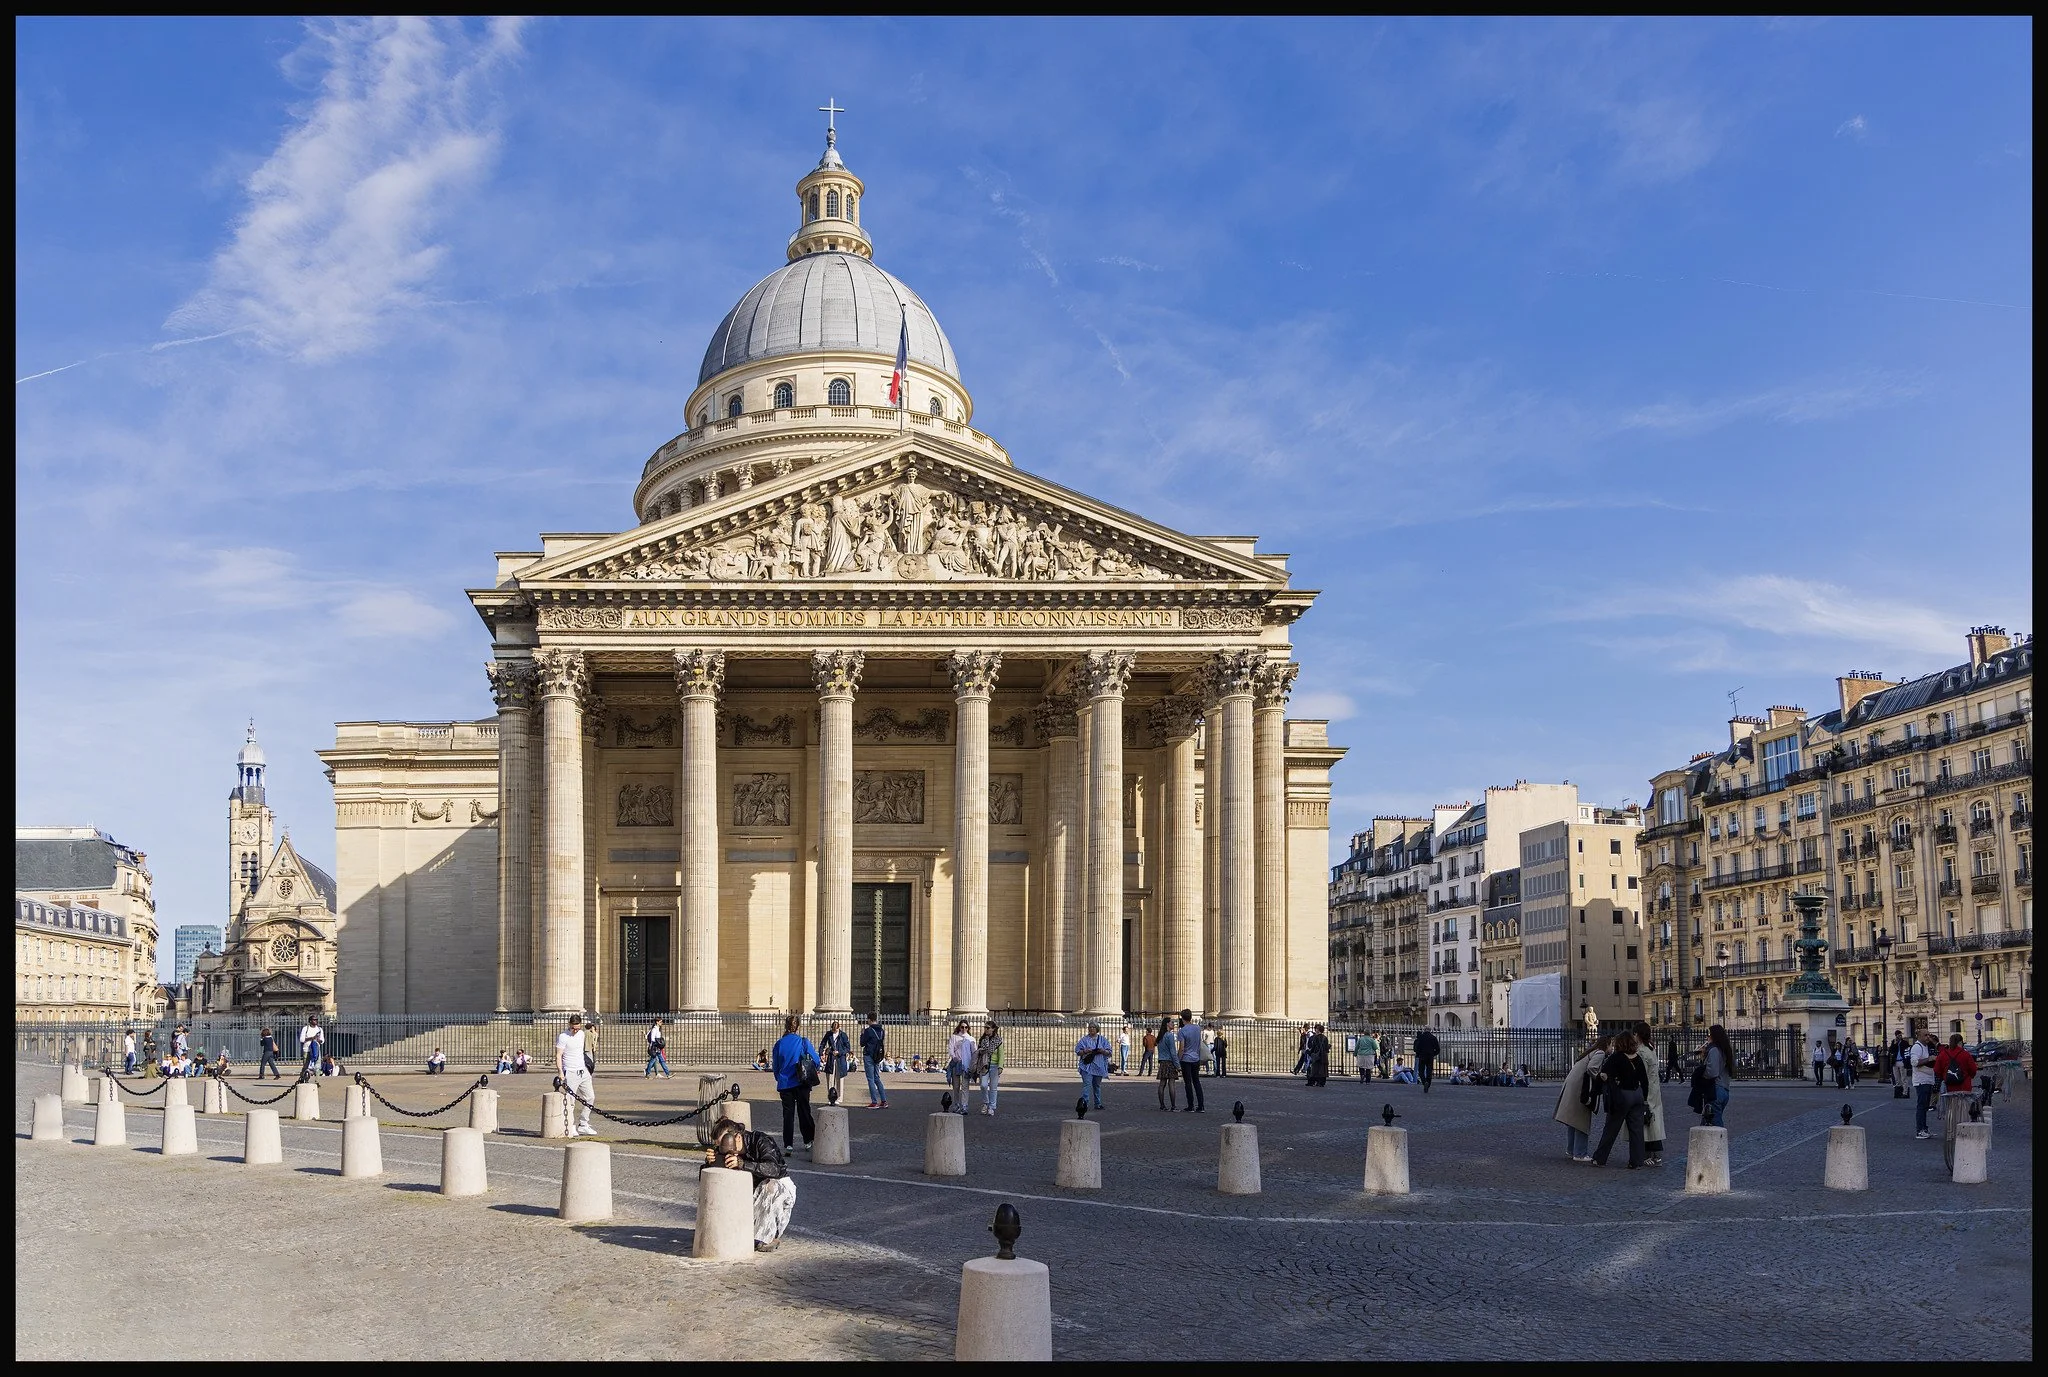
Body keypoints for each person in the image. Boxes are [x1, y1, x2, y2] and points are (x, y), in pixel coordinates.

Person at [707, 1118, 795, 1254]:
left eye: (724, 1144)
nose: (722, 1149)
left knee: (770, 1185)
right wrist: (710, 1164)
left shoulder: (761, 1140)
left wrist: (743, 1164)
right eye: (719, 1146)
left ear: (736, 1137)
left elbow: (774, 1169)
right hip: (750, 1193)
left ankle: (767, 1237)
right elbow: (707, 1184)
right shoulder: (722, 1151)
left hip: (778, 1193)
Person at [1591, 1030, 1651, 1169]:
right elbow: (1645, 1081)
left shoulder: (1616, 1057)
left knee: (1611, 1128)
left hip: (1622, 1095)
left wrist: (1600, 1085)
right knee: (1636, 1131)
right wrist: (1645, 1099)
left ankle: (1600, 1158)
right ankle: (1636, 1161)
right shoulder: (1638, 1058)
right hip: (1638, 1094)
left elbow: (1604, 1074)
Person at [1556, 1034, 1611, 1162]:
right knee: (1581, 1120)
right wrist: (1601, 1077)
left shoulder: (1590, 1052)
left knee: (1572, 1121)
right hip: (1581, 1089)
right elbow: (1592, 1068)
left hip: (1572, 1087)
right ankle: (1580, 1153)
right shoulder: (1600, 1053)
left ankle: (1571, 1150)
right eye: (1611, 1044)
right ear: (1607, 1044)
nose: (1612, 1047)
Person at [1930, 1033, 1979, 1170]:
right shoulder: (1965, 1054)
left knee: (1951, 1112)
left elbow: (1937, 1071)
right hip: (1964, 1088)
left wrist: (1946, 1075)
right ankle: (1962, 1134)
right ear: (1960, 1043)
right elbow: (1973, 1070)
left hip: (1950, 1089)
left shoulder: (1943, 1054)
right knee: (1964, 1113)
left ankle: (1951, 1133)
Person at [770, 1015, 819, 1153]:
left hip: (785, 1083)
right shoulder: (803, 1042)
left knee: (788, 1115)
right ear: (797, 1027)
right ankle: (808, 1140)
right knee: (804, 1111)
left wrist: (780, 1078)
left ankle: (788, 1144)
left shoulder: (779, 1044)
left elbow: (776, 1066)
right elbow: (816, 1060)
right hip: (801, 1082)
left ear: (786, 1026)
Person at [1632, 1020, 1668, 1167]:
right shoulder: (1651, 1048)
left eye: (1634, 1034)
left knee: (1646, 1121)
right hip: (1655, 1089)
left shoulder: (1641, 1051)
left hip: (1647, 1089)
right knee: (1654, 1121)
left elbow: (1642, 1074)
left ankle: (1647, 1154)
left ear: (1638, 1035)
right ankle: (1657, 1154)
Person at [556, 1013, 596, 1138]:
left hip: (582, 1071)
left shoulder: (582, 1034)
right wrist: (560, 1072)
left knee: (590, 1097)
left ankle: (584, 1124)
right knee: (570, 1101)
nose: (575, 1030)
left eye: (578, 1028)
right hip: (570, 1071)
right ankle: (571, 1125)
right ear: (569, 1025)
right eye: (574, 1028)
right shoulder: (563, 1036)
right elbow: (558, 1055)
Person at [1700, 1024, 1735, 1127]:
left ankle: (1721, 1142)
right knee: (1706, 1122)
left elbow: (1712, 1072)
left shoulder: (1714, 1050)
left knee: (1716, 1125)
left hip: (1715, 1090)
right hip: (1724, 1089)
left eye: (1709, 1034)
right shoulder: (1725, 1050)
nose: (1707, 1037)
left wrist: (1702, 1074)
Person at [1909, 1030, 1939, 1139]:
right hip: (1921, 1080)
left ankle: (1924, 1128)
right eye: (1925, 1035)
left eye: (1928, 1035)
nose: (1928, 1037)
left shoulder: (1925, 1046)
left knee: (1925, 1106)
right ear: (1919, 1036)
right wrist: (1929, 1059)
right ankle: (1920, 1130)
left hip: (1927, 1079)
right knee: (1921, 1106)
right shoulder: (1917, 1047)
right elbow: (1914, 1062)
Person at [1076, 1022, 1113, 1111]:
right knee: (1087, 1085)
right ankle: (1085, 1103)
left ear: (1097, 1029)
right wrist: (1085, 1051)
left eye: (1093, 1027)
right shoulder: (1084, 1040)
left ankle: (1098, 1103)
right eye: (1090, 1027)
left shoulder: (1102, 1039)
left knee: (1097, 1086)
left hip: (1098, 1066)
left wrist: (1103, 1051)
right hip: (1087, 1066)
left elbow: (1109, 1052)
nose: (1091, 1029)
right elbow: (1078, 1051)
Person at [1175, 1009, 1206, 1112]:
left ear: (1182, 1018)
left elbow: (1182, 1048)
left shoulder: (1182, 1031)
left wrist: (1178, 1060)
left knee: (1188, 1083)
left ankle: (1190, 1105)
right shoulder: (1198, 1028)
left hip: (1186, 1059)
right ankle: (1201, 1106)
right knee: (1197, 1082)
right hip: (1196, 1058)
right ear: (1191, 1017)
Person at [859, 1013, 888, 1109]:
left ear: (870, 1020)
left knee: (870, 1079)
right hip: (877, 1056)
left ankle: (874, 1101)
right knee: (877, 1078)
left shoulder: (869, 1030)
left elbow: (862, 1043)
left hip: (869, 1056)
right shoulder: (882, 1031)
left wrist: (862, 1034)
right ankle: (883, 1101)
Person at [946, 1021, 976, 1114]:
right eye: (962, 1027)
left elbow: (974, 1052)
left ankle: (964, 1106)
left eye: (966, 1027)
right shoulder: (954, 1037)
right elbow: (950, 1048)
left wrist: (973, 1064)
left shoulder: (971, 1039)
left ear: (968, 1028)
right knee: (956, 1086)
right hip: (956, 1063)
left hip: (966, 1065)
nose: (964, 1029)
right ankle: (956, 1104)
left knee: (965, 1086)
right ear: (959, 1027)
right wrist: (954, 1057)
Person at [975, 1022, 1004, 1116]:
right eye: (985, 1028)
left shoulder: (998, 1041)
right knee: (983, 1085)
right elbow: (978, 1052)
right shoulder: (982, 1040)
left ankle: (991, 1107)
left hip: (995, 1066)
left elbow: (1001, 1054)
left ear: (993, 1029)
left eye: (988, 1028)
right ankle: (985, 1103)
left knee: (993, 1087)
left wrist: (1000, 1066)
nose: (986, 1029)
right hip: (984, 1065)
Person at [819, 1020, 851, 1102]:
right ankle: (831, 1097)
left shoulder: (843, 1035)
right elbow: (822, 1043)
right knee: (830, 1078)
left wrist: (840, 1052)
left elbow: (847, 1048)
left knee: (839, 1079)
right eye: (833, 1030)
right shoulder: (829, 1034)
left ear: (838, 1028)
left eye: (835, 1030)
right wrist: (821, 1053)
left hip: (840, 1059)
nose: (834, 1031)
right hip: (831, 1058)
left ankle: (839, 1098)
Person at [1154, 1016, 1180, 1111]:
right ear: (1167, 1024)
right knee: (1171, 1084)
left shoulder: (1161, 1036)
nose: (1173, 1024)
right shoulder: (1169, 1035)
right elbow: (1173, 1052)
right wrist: (1178, 1065)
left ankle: (1162, 1105)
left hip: (1162, 1062)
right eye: (1171, 1022)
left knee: (1162, 1084)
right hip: (1169, 1062)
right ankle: (1173, 1106)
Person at [1413, 1027, 1441, 1094]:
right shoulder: (1433, 1038)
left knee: (1421, 1071)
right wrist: (1433, 1054)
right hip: (1430, 1056)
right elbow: (1437, 1049)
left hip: (1422, 1056)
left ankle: (1424, 1081)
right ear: (1430, 1030)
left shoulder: (1421, 1037)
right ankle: (1428, 1083)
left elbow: (1417, 1048)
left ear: (1424, 1030)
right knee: (1429, 1071)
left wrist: (1419, 1054)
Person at [299, 1017, 324, 1082]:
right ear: (310, 1021)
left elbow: (322, 1040)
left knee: (318, 1066)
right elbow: (302, 1039)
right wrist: (312, 1038)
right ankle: (303, 1078)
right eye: (314, 1020)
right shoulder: (305, 1028)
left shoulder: (319, 1029)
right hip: (307, 1049)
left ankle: (317, 1081)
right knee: (306, 1065)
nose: (316, 1021)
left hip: (316, 1050)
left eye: (316, 1020)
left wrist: (319, 1040)